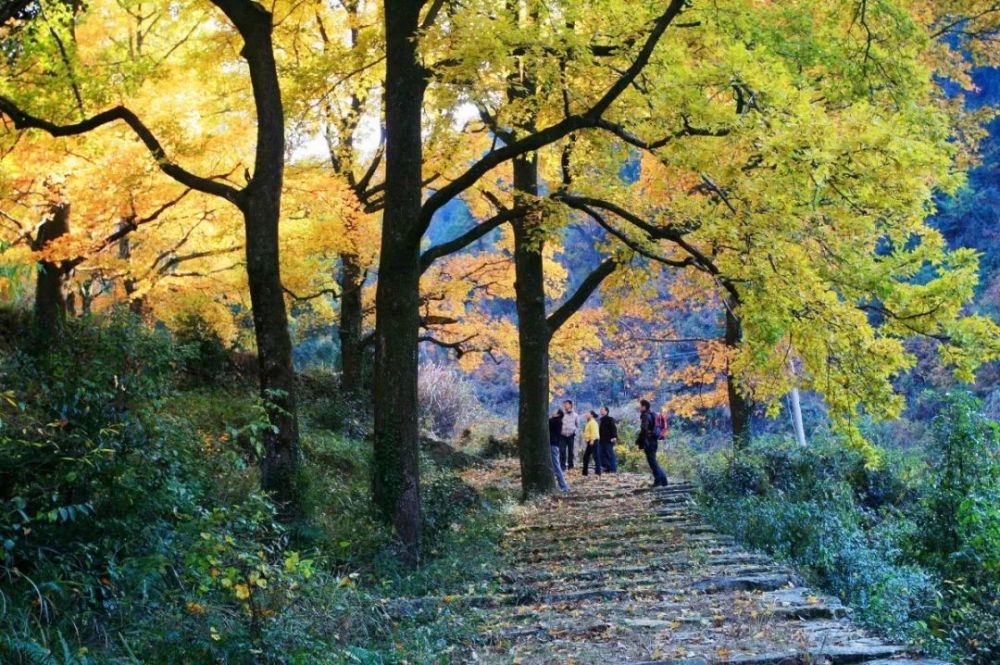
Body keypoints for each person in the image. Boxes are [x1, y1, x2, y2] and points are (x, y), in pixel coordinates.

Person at [637, 399, 668, 487]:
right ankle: (662, 480)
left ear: (644, 407)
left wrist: (640, 442)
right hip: (654, 440)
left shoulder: (645, 416)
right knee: (653, 461)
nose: (639, 408)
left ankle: (659, 480)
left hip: (648, 441)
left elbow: (644, 430)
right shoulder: (653, 414)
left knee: (652, 462)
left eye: (640, 406)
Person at [548, 408, 569, 491]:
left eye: (555, 411)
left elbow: (547, 422)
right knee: (554, 465)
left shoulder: (555, 421)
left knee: (556, 466)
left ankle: (564, 486)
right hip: (553, 445)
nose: (553, 412)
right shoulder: (556, 421)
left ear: (558, 415)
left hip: (553, 445)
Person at [560, 399, 581, 470]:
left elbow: (578, 426)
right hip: (562, 435)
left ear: (570, 405)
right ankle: (562, 466)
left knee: (571, 451)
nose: (565, 405)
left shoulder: (575, 415)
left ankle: (570, 466)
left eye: (566, 404)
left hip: (571, 435)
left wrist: (575, 432)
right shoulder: (562, 414)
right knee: (562, 450)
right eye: (564, 404)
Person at [581, 410, 602, 476]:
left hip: (593, 441)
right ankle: (585, 472)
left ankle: (598, 472)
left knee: (595, 456)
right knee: (586, 457)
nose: (586, 414)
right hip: (590, 441)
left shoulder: (593, 422)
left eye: (587, 413)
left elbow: (594, 432)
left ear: (592, 415)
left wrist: (592, 440)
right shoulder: (589, 422)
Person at [598, 406, 618, 473]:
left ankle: (613, 469)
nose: (601, 411)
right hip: (601, 440)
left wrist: (614, 437)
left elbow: (614, 428)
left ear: (606, 411)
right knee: (602, 454)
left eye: (602, 410)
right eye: (600, 410)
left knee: (610, 454)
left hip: (608, 440)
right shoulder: (601, 420)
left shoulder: (610, 419)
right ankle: (607, 467)